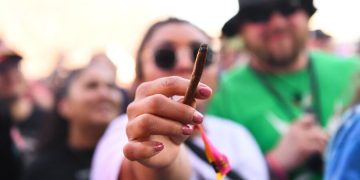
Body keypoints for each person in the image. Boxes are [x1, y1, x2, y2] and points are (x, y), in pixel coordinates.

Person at [91, 17, 269, 180]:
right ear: (139, 77)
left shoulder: (237, 135)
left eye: (199, 54)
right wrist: (158, 162)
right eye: (165, 56)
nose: (185, 65)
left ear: (218, 74)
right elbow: (133, 171)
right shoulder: (122, 131)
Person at [207, 0, 360, 179]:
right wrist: (273, 165)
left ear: (306, 15)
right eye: (259, 15)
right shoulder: (218, 96)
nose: (277, 24)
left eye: (288, 8)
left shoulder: (354, 72)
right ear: (241, 29)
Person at [23, 65, 121, 180]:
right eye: (91, 86)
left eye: (111, 86)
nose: (105, 94)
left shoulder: (132, 159)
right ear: (64, 106)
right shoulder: (42, 171)